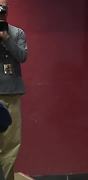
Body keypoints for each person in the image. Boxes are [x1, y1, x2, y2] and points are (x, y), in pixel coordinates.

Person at [0, 0, 28, 179]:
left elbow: (22, 56)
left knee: (11, 144)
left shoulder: (17, 33)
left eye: (3, 8)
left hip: (11, 92)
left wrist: (6, 39)